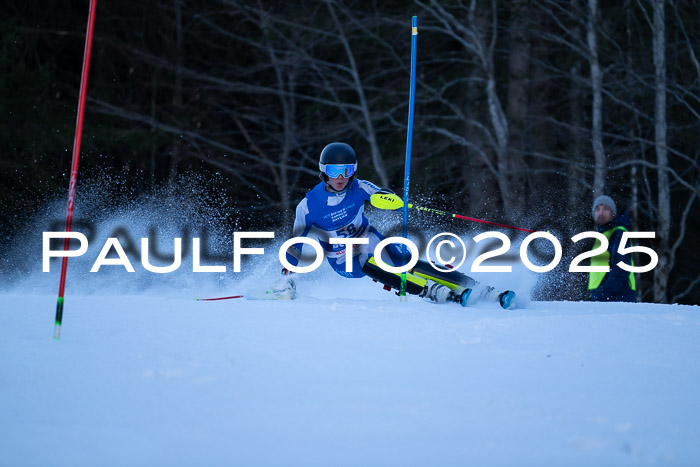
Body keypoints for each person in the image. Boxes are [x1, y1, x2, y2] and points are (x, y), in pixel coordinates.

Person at [271, 142, 515, 309]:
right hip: (342, 257)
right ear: (324, 171)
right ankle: (434, 291)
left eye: (346, 170)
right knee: (369, 262)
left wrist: (396, 203)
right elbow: (295, 245)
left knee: (403, 261)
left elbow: (382, 195)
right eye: (334, 171)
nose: (340, 177)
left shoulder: (359, 187)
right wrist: (286, 276)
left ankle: (480, 289)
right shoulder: (308, 205)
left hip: (368, 239)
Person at [588, 195, 637, 302]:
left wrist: (603, 293)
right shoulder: (602, 235)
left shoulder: (618, 233)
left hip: (618, 298)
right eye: (598, 209)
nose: (601, 213)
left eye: (605, 209)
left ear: (612, 214)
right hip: (605, 298)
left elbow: (622, 268)